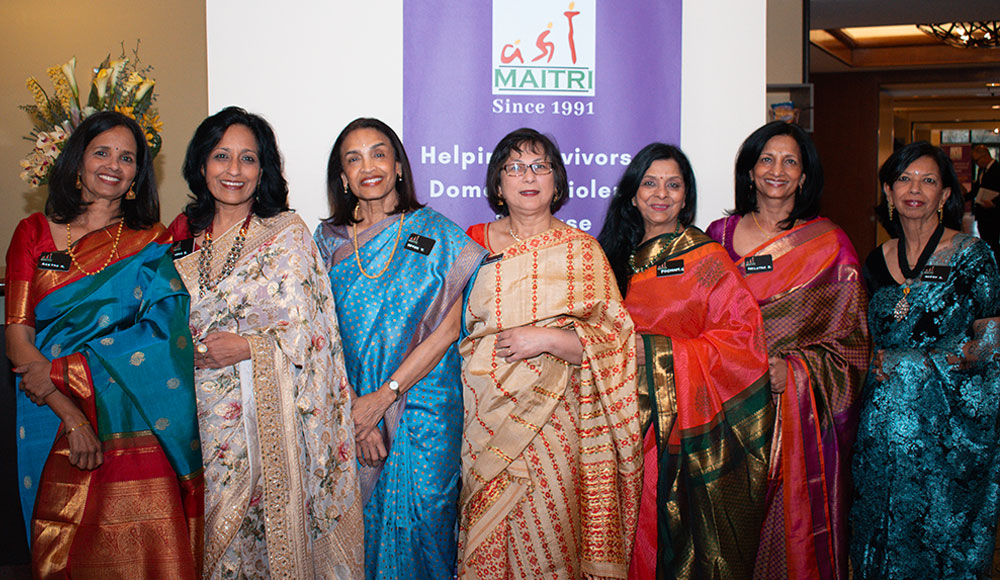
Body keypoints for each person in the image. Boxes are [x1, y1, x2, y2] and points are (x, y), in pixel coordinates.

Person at [168, 106, 363, 579]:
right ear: (201, 165)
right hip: (193, 420)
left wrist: (250, 348)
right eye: (221, 156)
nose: (234, 171)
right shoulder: (178, 239)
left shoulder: (286, 234)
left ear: (264, 169)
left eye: (248, 159)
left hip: (267, 424)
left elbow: (312, 335)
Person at [6, 111, 202, 578]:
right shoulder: (32, 233)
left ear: (137, 175)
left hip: (129, 412)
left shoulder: (152, 242)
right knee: (59, 549)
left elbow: (164, 337)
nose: (113, 164)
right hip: (46, 410)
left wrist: (67, 371)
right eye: (102, 152)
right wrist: (70, 414)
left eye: (128, 157)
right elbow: (17, 335)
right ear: (78, 161)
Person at [459, 128, 642, 580]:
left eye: (540, 166)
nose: (528, 176)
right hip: (484, 416)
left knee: (550, 540)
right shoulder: (471, 244)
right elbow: (448, 329)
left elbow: (615, 341)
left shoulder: (583, 252)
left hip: (558, 422)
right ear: (497, 185)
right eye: (515, 167)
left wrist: (543, 339)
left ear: (556, 183)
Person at [313, 118, 484, 580]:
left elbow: (451, 328)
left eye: (379, 153)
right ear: (343, 176)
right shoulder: (325, 243)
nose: (368, 166)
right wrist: (358, 411)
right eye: (354, 158)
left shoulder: (439, 234)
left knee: (426, 522)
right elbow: (317, 335)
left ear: (399, 166)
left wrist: (384, 398)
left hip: (426, 408)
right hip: (348, 409)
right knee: (358, 532)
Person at [597, 143, 774, 579]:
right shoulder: (607, 256)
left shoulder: (706, 259)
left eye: (673, 184)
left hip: (675, 432)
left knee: (659, 540)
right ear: (632, 194)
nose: (661, 194)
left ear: (686, 196)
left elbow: (742, 339)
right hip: (608, 424)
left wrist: (655, 352)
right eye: (649, 183)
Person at [706, 121, 870, 580]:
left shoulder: (829, 246)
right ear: (750, 171)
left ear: (804, 176)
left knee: (784, 527)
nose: (777, 170)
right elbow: (697, 318)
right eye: (767, 159)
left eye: (790, 161)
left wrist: (795, 372)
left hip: (793, 415)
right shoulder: (717, 235)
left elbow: (852, 346)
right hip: (725, 407)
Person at [850, 141, 1000, 579]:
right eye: (904, 179)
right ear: (889, 191)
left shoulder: (973, 257)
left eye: (928, 180)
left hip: (947, 433)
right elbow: (866, 338)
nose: (915, 189)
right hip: (882, 436)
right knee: (880, 534)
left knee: (938, 545)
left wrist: (917, 365)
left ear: (946, 195)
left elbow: (991, 343)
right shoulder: (875, 261)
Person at [970, 144, 1000, 265]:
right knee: (985, 239)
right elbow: (977, 190)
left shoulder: (998, 169)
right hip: (982, 212)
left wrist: (994, 203)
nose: (976, 164)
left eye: (977, 160)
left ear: (985, 156)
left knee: (993, 241)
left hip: (993, 213)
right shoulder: (982, 171)